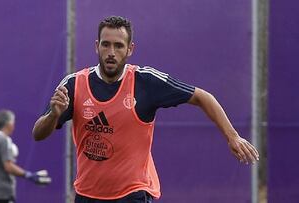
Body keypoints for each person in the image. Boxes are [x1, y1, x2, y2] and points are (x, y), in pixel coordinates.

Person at [32, 16, 259, 203]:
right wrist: (53, 114)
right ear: (96, 46)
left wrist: (233, 136)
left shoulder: (145, 81)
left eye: (118, 45)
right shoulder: (73, 84)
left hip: (134, 193)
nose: (111, 52)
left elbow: (203, 97)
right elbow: (38, 134)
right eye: (106, 44)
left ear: (130, 49)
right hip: (87, 195)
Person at [0, 109, 51, 203]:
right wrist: (28, 175)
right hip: (3, 194)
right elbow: (8, 166)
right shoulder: (5, 140)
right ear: (9, 125)